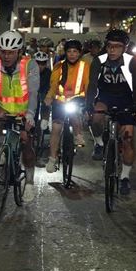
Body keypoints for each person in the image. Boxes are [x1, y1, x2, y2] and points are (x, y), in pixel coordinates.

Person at [0, 30, 39, 198]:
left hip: (25, 109)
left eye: (11, 52)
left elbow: (33, 93)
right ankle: (2, 151)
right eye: (3, 52)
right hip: (4, 107)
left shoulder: (30, 65)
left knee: (26, 142)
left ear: (19, 52)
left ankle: (30, 181)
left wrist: (30, 115)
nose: (6, 56)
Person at [85, 29, 136, 195]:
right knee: (96, 118)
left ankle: (125, 177)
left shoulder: (133, 62)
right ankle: (99, 142)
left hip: (126, 99)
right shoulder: (99, 61)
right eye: (109, 46)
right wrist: (89, 105)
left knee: (128, 139)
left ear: (125, 48)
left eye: (117, 46)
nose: (112, 50)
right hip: (105, 97)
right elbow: (92, 85)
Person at [44, 40, 90, 173]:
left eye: (75, 51)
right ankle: (52, 159)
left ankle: (78, 134)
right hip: (60, 101)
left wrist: (89, 104)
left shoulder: (85, 66)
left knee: (75, 114)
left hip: (78, 99)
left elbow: (88, 85)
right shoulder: (59, 66)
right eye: (69, 51)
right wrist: (49, 97)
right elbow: (53, 85)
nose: (72, 54)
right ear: (65, 53)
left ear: (79, 53)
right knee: (56, 128)